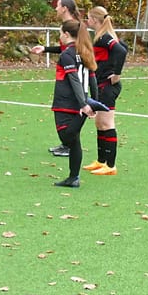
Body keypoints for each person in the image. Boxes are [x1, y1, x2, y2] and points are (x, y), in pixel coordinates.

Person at [31, 0, 81, 157]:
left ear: (65, 8)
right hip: (67, 73)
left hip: (75, 74)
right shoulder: (66, 27)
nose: (56, 9)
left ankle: (70, 146)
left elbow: (79, 51)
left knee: (70, 110)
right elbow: (65, 49)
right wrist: (45, 49)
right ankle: (67, 144)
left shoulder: (76, 27)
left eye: (58, 6)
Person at [50, 20, 98, 188]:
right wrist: (94, 102)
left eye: (60, 33)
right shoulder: (83, 51)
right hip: (80, 102)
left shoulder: (67, 55)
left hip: (67, 102)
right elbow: (92, 77)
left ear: (66, 34)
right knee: (74, 139)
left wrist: (85, 105)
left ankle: (74, 177)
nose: (60, 37)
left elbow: (74, 79)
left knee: (67, 137)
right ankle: (74, 177)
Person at [83, 6, 128, 176]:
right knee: (100, 123)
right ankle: (101, 161)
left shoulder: (105, 38)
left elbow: (121, 50)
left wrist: (116, 74)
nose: (87, 21)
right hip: (101, 84)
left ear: (95, 20)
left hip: (109, 87)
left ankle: (111, 165)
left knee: (107, 124)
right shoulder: (100, 37)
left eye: (88, 18)